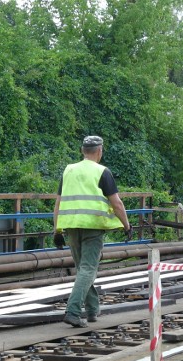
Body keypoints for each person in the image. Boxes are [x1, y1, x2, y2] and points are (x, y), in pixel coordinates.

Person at [53, 136, 133, 328]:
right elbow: (116, 203)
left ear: (82, 151)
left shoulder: (68, 170)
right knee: (88, 269)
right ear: (100, 151)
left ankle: (92, 310)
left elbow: (58, 202)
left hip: (71, 226)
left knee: (83, 269)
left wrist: (57, 229)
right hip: (93, 227)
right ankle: (72, 311)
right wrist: (127, 225)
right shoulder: (102, 172)